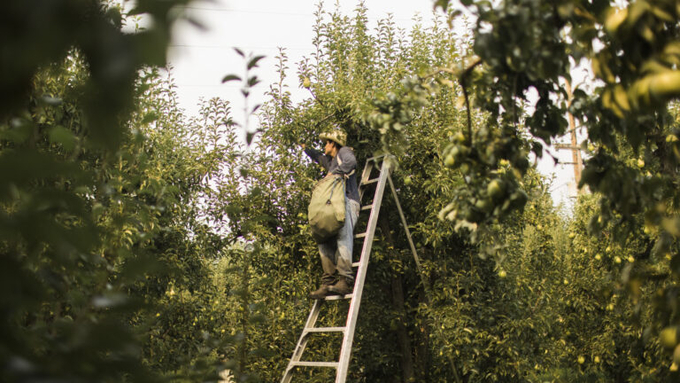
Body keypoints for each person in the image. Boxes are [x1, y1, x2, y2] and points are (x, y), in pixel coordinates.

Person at [302, 128, 360, 299]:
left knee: (343, 236)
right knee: (323, 238)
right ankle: (327, 282)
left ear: (333, 143)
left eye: (326, 143)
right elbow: (318, 157)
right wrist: (305, 147)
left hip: (348, 202)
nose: (324, 146)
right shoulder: (331, 161)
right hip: (334, 205)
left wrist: (333, 174)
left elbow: (351, 163)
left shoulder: (344, 152)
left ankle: (345, 280)